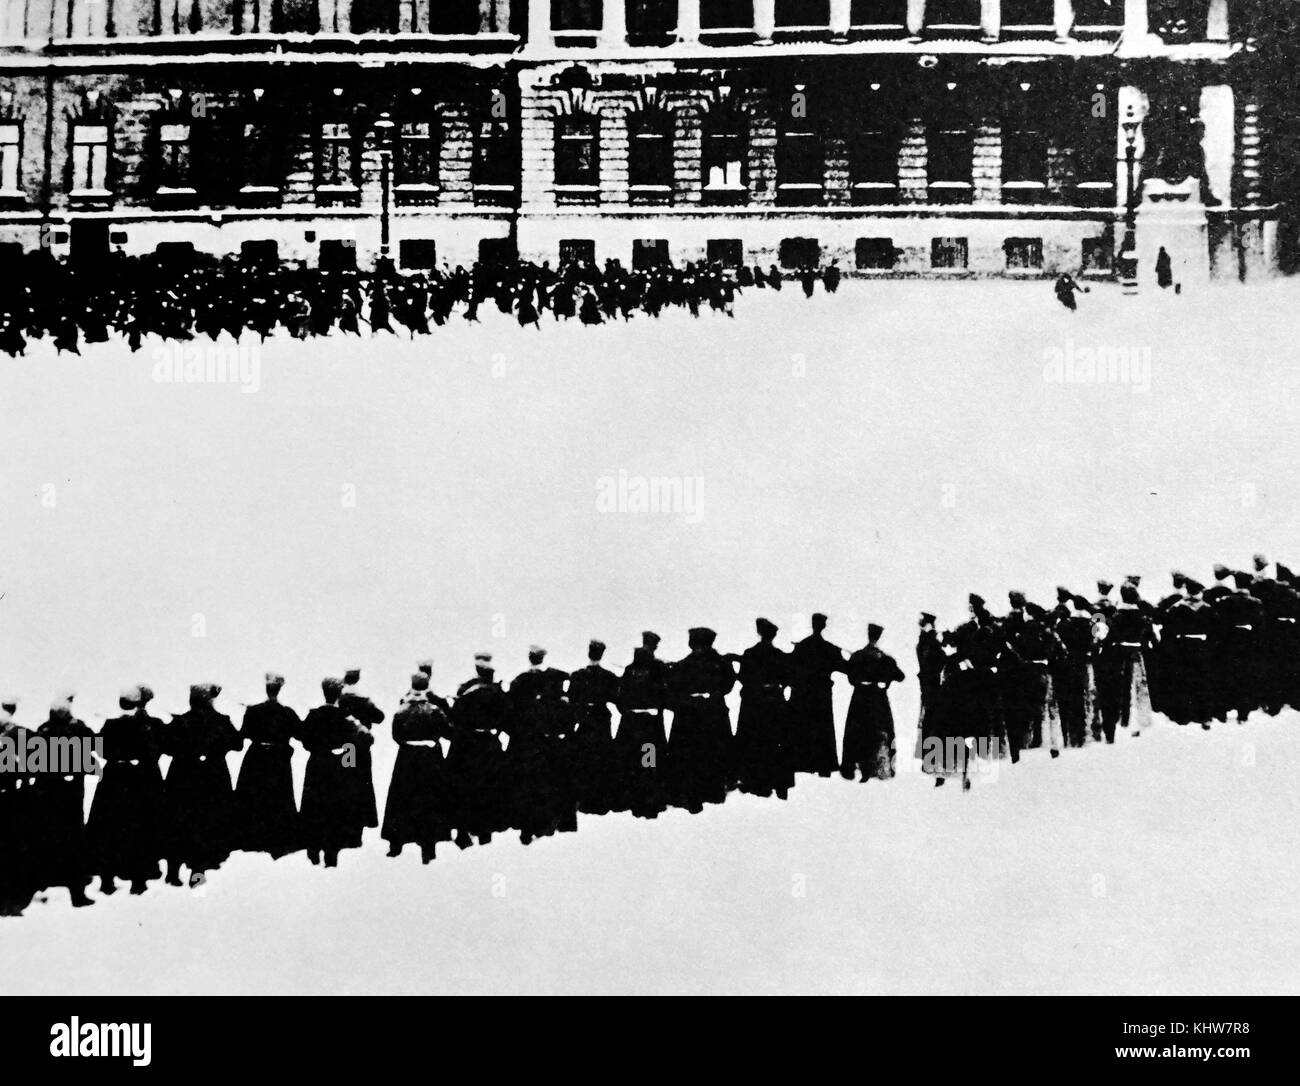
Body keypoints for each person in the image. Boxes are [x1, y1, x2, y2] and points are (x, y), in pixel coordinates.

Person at [160, 683, 242, 887]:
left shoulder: (181, 721)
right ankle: (197, 873)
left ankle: (173, 871)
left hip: (182, 777)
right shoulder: (221, 721)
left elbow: (166, 746)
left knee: (179, 823)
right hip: (212, 779)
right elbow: (238, 744)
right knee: (206, 825)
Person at [87, 685, 164, 896]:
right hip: (139, 780)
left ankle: (107, 880)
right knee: (139, 828)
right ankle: (138, 881)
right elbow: (155, 750)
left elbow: (99, 748)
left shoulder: (110, 725)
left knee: (109, 829)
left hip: (113, 779)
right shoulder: (147, 724)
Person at [299, 677, 375, 867]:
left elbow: (305, 740)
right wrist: (347, 757)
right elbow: (366, 738)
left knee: (314, 807)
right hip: (339, 766)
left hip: (316, 765)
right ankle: (331, 853)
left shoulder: (313, 715)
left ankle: (313, 848)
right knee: (335, 809)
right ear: (339, 693)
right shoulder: (345, 717)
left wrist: (319, 749)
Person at [31, 692, 97, 907]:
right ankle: (76, 892)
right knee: (73, 840)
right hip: (70, 795)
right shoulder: (78, 731)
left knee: (45, 836)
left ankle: (41, 882)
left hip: (45, 794)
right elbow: (95, 749)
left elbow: (30, 764)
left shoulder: (41, 732)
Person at [506, 646, 575, 844]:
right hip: (549, 743)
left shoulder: (519, 680)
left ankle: (526, 821)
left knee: (528, 781)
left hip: (526, 740)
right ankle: (551, 822)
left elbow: (511, 710)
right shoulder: (551, 683)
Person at [382, 671, 452, 863]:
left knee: (402, 799)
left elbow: (396, 735)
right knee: (429, 801)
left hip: (406, 758)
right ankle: (428, 848)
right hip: (430, 760)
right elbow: (448, 733)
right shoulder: (435, 710)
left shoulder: (401, 710)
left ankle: (396, 844)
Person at [667, 628, 736, 813]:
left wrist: (711, 695)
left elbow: (728, 683)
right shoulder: (710, 663)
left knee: (704, 753)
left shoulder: (693, 664)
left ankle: (708, 792)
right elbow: (674, 687)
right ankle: (702, 793)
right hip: (701, 714)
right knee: (701, 754)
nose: (698, 650)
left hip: (702, 714)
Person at [234, 672, 302, 860]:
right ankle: (276, 839)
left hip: (256, 759)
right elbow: (302, 734)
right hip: (278, 761)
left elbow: (241, 737)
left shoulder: (254, 711)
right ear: (279, 689)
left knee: (255, 795)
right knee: (278, 796)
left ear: (266, 688)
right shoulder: (287, 713)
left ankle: (252, 838)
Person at [447, 653, 509, 848]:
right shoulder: (497, 693)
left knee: (464, 787)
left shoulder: (467, 691)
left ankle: (464, 831)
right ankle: (485, 831)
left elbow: (455, 718)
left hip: (467, 746)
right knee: (489, 787)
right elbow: (507, 717)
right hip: (490, 745)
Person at [733, 618, 795, 800]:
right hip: (773, 703)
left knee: (754, 741)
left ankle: (754, 781)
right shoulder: (778, 655)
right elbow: (788, 678)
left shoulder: (750, 654)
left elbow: (743, 678)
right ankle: (779, 784)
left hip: (755, 704)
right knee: (775, 742)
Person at [840, 625, 905, 782]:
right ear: (879, 637)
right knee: (878, 731)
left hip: (860, 698)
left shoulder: (858, 656)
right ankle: (877, 768)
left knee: (858, 732)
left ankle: (858, 767)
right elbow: (900, 676)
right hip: (878, 699)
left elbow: (850, 678)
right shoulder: (885, 659)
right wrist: (885, 680)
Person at [613, 646, 670, 819]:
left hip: (641, 726)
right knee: (643, 763)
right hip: (642, 726)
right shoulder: (647, 672)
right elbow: (621, 697)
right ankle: (643, 801)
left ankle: (644, 801)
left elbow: (620, 698)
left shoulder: (647, 672)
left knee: (642, 763)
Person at [786, 613, 843, 777]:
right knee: (822, 728)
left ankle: (802, 763)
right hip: (821, 695)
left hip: (803, 694)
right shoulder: (829, 649)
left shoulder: (802, 646)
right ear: (823, 626)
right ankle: (823, 766)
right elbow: (845, 668)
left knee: (803, 727)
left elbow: (790, 667)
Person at [567, 639, 619, 816]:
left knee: (583, 759)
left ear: (589, 653)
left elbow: (571, 700)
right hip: (601, 721)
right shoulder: (609, 677)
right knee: (601, 759)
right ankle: (599, 800)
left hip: (584, 721)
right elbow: (616, 699)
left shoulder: (577, 675)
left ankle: (583, 799)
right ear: (601, 655)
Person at [338, 668, 384, 831]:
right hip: (363, 745)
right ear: (358, 678)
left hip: (347, 747)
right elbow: (379, 717)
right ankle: (363, 817)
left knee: (347, 777)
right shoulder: (364, 699)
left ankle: (346, 815)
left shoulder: (340, 698)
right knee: (363, 779)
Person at [914, 612, 952, 784]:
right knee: (936, 725)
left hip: (927, 689)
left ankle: (929, 762)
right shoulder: (931, 644)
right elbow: (940, 662)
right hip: (935, 689)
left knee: (928, 724)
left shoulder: (923, 642)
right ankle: (937, 764)